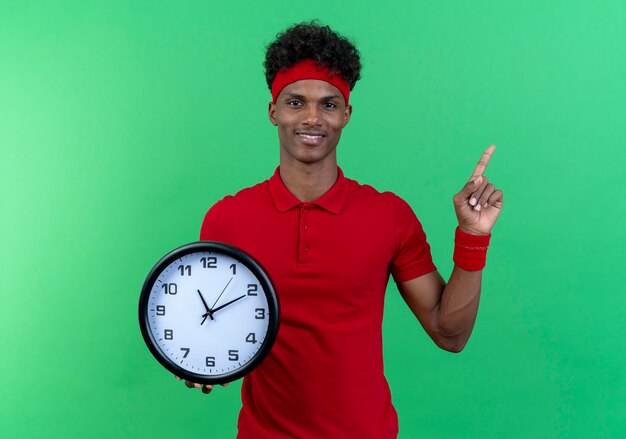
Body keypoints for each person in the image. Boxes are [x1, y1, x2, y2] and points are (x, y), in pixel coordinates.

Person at [179, 21, 503, 438]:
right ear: (273, 111)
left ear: (346, 114)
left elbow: (449, 334)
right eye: (296, 103)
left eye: (328, 104)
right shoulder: (228, 218)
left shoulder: (389, 215)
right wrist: (196, 364)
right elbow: (204, 326)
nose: (312, 117)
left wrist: (473, 239)